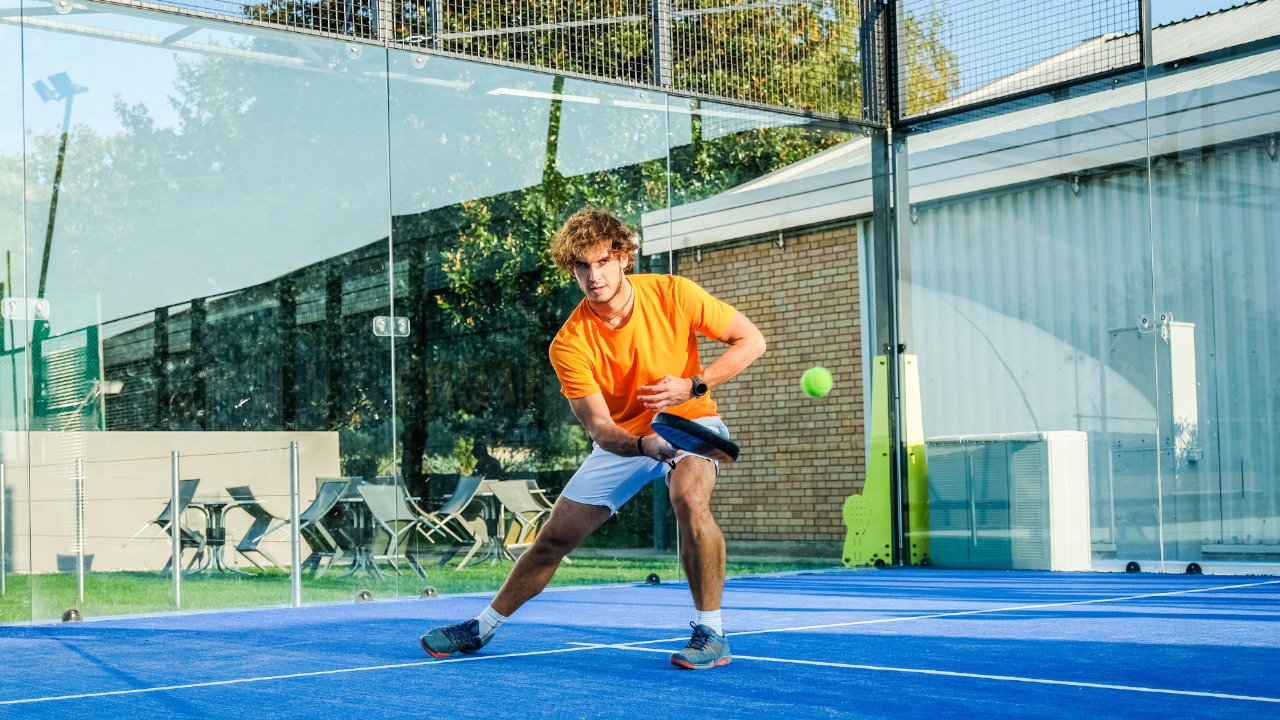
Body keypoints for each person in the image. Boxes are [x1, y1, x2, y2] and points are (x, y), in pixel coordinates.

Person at [419, 209, 766, 670]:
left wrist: (693, 385)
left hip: (689, 422)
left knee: (689, 499)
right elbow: (601, 429)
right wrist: (643, 445)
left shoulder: (673, 293)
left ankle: (711, 633)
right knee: (552, 539)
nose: (593, 275)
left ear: (623, 257)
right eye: (582, 266)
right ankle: (480, 628)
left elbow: (751, 341)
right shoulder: (569, 344)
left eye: (602, 261)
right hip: (626, 439)